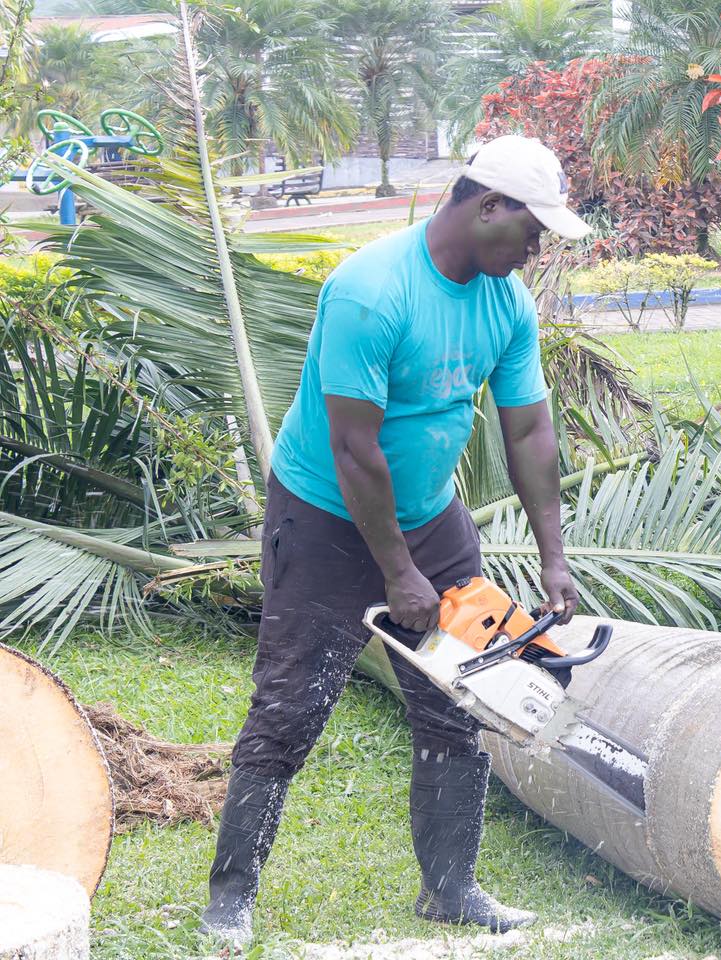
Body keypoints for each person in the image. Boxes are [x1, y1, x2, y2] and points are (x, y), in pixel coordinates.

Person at [200, 135, 591, 942]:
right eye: (531, 230)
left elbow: (529, 431)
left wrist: (553, 557)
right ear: (488, 207)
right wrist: (397, 571)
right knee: (290, 707)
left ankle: (451, 889)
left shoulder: (506, 303)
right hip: (324, 517)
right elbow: (354, 449)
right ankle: (229, 900)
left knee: (458, 700)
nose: (535, 249)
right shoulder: (371, 291)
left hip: (432, 518)